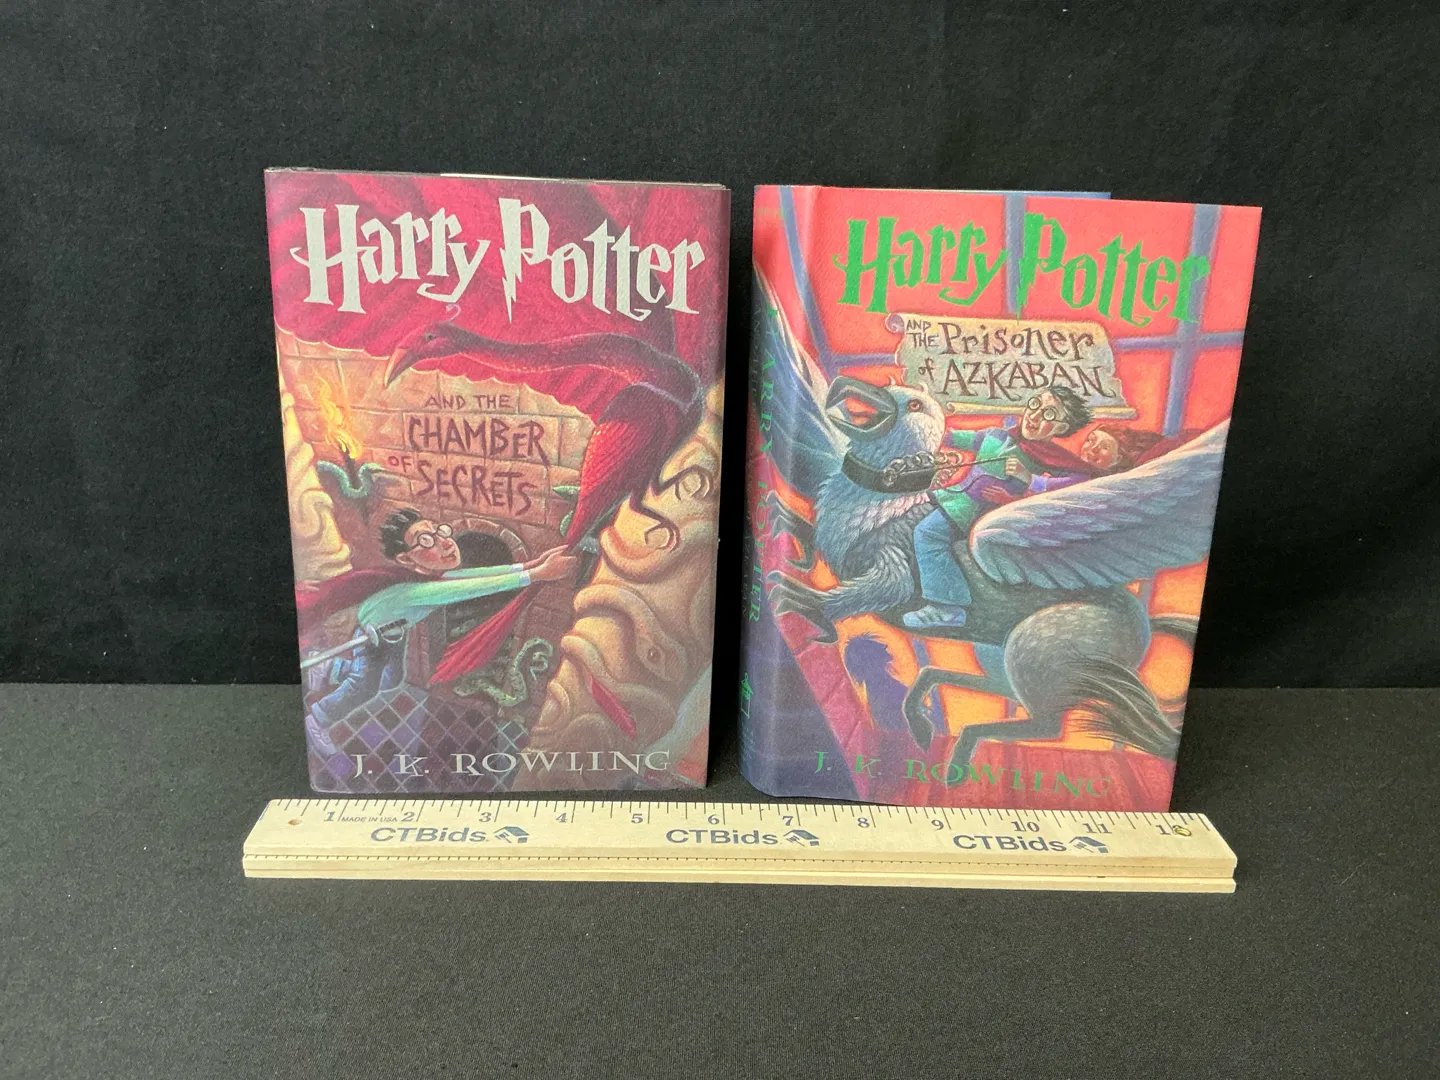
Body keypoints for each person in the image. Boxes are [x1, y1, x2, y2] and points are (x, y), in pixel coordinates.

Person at [301, 508, 577, 754]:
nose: (445, 542)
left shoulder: (429, 574)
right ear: (406, 559)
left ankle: (329, 669)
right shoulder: (415, 590)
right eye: (425, 540)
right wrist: (536, 575)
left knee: (392, 680)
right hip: (372, 639)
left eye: (438, 531)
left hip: (394, 633)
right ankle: (319, 718)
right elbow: (468, 587)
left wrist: (531, 565)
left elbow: (472, 576)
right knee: (364, 688)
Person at [904, 387, 1098, 630]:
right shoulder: (997, 434)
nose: (1035, 415)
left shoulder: (1047, 457)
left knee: (927, 534)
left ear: (1061, 428)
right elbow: (957, 438)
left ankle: (948, 608)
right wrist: (927, 426)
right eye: (1035, 404)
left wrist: (1031, 479)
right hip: (952, 497)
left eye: (1049, 414)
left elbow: (1080, 482)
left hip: (977, 514)